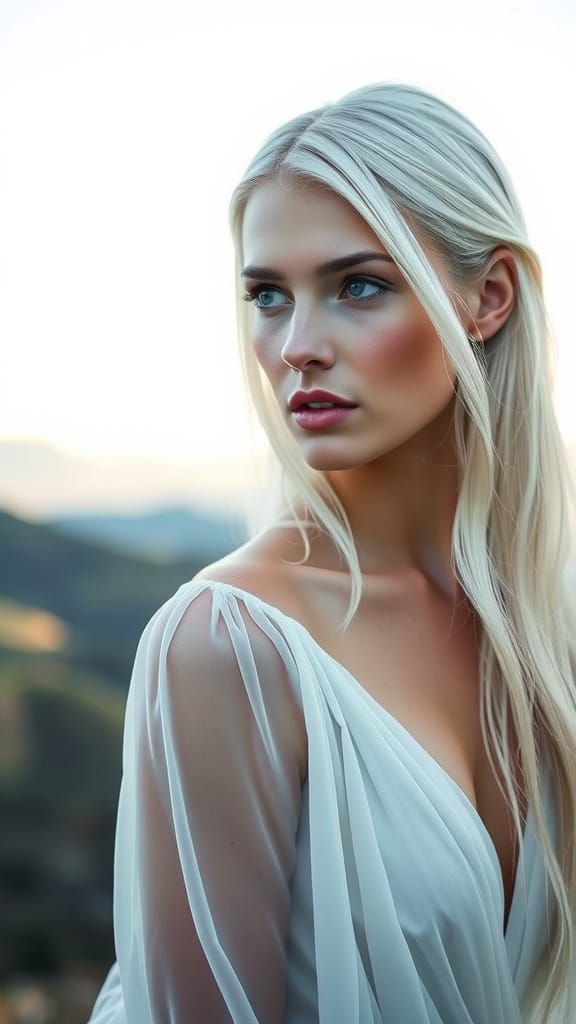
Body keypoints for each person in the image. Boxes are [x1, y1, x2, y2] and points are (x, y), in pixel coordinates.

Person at [87, 82, 576, 1023]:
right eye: (268, 296)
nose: (297, 347)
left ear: (489, 297)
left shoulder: (546, 621)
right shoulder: (228, 645)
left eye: (358, 285)